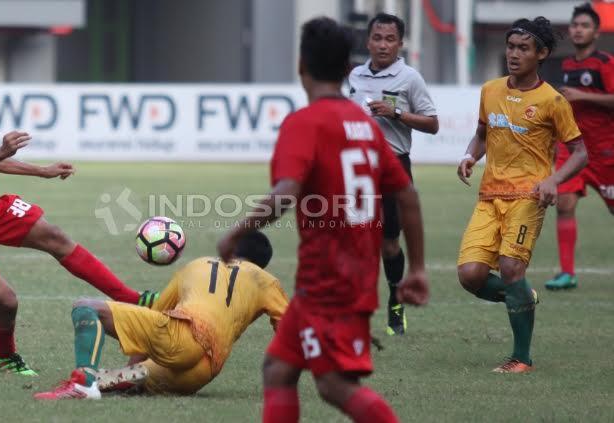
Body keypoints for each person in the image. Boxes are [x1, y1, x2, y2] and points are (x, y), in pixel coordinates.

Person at [217, 17, 428, 423]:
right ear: (349, 69)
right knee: (278, 370)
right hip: (341, 277)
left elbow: (285, 194)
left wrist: (236, 233)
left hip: (331, 282)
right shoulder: (365, 127)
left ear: (301, 66)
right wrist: (416, 268)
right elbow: (407, 194)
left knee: (334, 386)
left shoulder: (305, 123)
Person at [0, 43, 148, 376]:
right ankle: (6, 357)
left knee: (53, 235)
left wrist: (42, 170)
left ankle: (132, 299)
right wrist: (0, 149)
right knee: (7, 302)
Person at [456, 17, 588, 373]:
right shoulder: (491, 89)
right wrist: (470, 155)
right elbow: (483, 133)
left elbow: (579, 152)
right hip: (489, 196)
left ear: (541, 53)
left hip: (529, 197)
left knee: (513, 268)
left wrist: (553, 180)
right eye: (510, 47)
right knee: (470, 276)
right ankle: (524, 297)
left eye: (523, 49)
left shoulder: (553, 101)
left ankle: (521, 358)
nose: (513, 54)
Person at [33, 231, 289, 399]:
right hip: (203, 373)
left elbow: (155, 315)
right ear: (260, 263)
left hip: (182, 336)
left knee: (85, 306)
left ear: (231, 249)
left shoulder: (199, 264)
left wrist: (132, 363)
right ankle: (119, 380)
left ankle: (83, 383)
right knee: (118, 380)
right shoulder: (267, 281)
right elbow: (289, 331)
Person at [348, 12, 438, 335]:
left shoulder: (410, 78)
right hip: (356, 168)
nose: (383, 45)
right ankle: (354, 312)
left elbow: (433, 123)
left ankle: (395, 299)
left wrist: (396, 113)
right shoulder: (355, 76)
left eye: (390, 39)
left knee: (389, 244)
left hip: (393, 167)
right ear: (368, 41)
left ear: (400, 43)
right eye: (377, 38)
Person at [546, 3, 614, 291]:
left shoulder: (605, 63)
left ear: (596, 32)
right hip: (573, 148)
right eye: (575, 25)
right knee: (564, 204)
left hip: (605, 150)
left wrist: (582, 95)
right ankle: (567, 273)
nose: (578, 30)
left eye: (584, 26)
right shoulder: (566, 65)